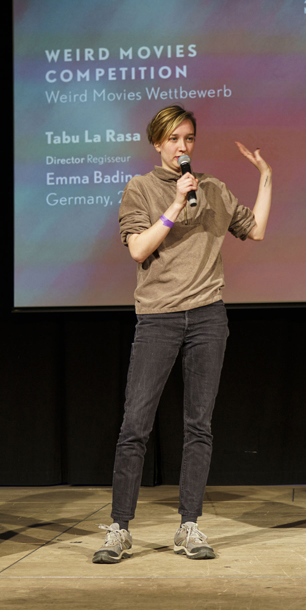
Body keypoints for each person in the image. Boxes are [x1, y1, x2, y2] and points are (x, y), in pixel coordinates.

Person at [92, 105, 273, 563]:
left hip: (208, 317)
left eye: (188, 138)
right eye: (173, 139)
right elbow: (138, 249)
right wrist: (175, 203)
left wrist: (266, 177)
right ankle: (119, 528)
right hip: (159, 318)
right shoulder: (140, 188)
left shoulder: (212, 188)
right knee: (136, 425)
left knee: (199, 426)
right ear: (157, 142)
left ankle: (188, 525)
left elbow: (256, 231)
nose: (182, 147)